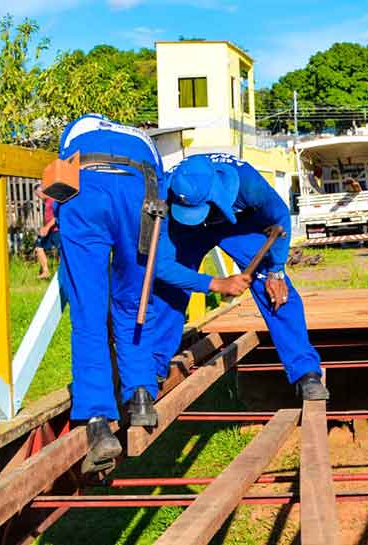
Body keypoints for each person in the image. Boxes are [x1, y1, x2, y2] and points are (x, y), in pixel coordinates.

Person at [55, 115, 252, 472]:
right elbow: (158, 190)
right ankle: (142, 396)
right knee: (134, 304)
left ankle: (98, 422)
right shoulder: (142, 139)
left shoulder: (76, 131)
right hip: (138, 193)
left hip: (86, 189)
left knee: (89, 312)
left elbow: (60, 178)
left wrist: (59, 214)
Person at [152, 152, 329, 400]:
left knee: (274, 288)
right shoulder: (167, 191)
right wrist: (214, 283)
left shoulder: (249, 184)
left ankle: (305, 372)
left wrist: (276, 270)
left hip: (239, 224)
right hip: (187, 230)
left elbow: (280, 217)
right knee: (170, 288)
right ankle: (153, 369)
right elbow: (161, 266)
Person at [33, 185, 61, 279]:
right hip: (49, 230)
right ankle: (46, 271)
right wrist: (44, 228)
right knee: (38, 247)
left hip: (56, 230)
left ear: (43, 191)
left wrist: (47, 227)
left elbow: (57, 216)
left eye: (38, 194)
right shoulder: (46, 202)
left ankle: (63, 274)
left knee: (61, 251)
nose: (38, 197)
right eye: (37, 195)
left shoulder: (53, 200)